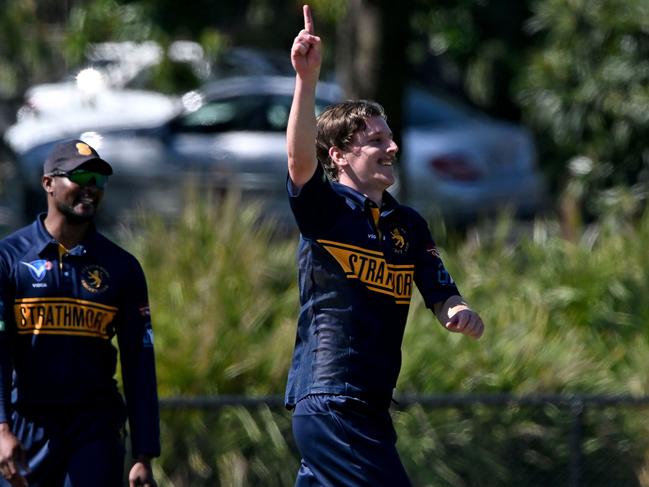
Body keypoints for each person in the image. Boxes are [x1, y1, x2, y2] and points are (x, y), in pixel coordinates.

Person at [285, 5, 485, 486]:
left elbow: (440, 291)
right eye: (376, 140)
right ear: (339, 155)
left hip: (369, 405)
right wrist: (306, 80)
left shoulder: (408, 225)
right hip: (333, 397)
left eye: (390, 136)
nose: (391, 146)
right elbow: (297, 159)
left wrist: (458, 311)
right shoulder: (326, 209)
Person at [0, 139, 160, 487]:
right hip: (27, 429)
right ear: (48, 184)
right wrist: (1, 430)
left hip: (95, 431)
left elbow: (139, 362)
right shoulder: (9, 258)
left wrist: (144, 453)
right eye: (80, 177)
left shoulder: (122, 267)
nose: (90, 188)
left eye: (98, 180)